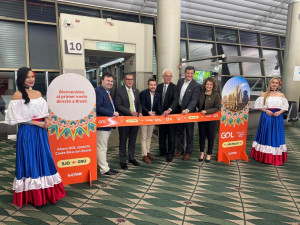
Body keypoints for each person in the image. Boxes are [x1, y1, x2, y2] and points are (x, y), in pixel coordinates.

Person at [5, 67, 66, 207]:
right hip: (28, 132)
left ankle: (47, 193)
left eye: (32, 76)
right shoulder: (17, 95)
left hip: (41, 132)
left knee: (44, 159)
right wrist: (36, 124)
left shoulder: (38, 93)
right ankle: (33, 196)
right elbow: (16, 119)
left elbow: (45, 112)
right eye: (28, 77)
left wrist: (47, 120)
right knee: (30, 159)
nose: (31, 79)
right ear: (22, 79)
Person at [251, 77, 288, 165]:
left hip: (277, 117)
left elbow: (285, 107)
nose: (274, 84)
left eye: (276, 83)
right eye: (273, 82)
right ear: (270, 84)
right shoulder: (264, 94)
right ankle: (263, 156)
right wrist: (266, 111)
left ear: (279, 85)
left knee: (276, 135)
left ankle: (275, 156)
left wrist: (279, 112)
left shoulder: (281, 95)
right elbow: (258, 106)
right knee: (266, 134)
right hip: (266, 116)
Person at [114, 73, 142, 170]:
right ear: (124, 80)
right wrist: (130, 112)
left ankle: (131, 157)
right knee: (123, 140)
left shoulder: (136, 91)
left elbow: (139, 104)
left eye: (131, 79)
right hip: (124, 120)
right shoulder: (118, 90)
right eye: (128, 79)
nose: (130, 81)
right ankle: (123, 160)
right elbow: (118, 105)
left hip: (134, 120)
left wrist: (140, 112)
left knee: (133, 139)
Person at [95, 73, 119, 175]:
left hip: (106, 124)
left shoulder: (107, 92)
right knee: (102, 147)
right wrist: (112, 113)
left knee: (102, 147)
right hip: (101, 125)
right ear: (102, 81)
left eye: (111, 81)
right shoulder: (99, 91)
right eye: (108, 81)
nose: (110, 83)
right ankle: (104, 169)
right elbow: (98, 107)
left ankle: (102, 165)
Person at [175, 66, 201, 160]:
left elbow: (194, 100)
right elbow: (177, 95)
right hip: (179, 111)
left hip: (189, 113)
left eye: (191, 73)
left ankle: (188, 152)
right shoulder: (180, 81)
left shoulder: (196, 85)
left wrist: (188, 110)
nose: (189, 75)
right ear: (185, 73)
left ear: (193, 74)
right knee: (179, 132)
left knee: (189, 133)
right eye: (188, 73)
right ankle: (180, 150)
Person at [157, 69, 179, 162]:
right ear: (163, 76)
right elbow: (157, 100)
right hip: (161, 115)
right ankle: (162, 151)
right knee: (161, 134)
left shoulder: (175, 87)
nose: (169, 77)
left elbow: (175, 101)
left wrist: (169, 110)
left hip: (171, 116)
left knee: (171, 135)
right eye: (167, 76)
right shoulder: (158, 87)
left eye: (170, 76)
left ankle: (170, 153)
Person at [198, 77, 221, 163]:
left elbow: (217, 108)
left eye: (211, 84)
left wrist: (207, 111)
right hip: (201, 119)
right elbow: (197, 104)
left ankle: (209, 154)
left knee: (211, 137)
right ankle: (202, 153)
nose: (209, 86)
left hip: (212, 120)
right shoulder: (201, 94)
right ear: (205, 85)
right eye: (207, 84)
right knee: (202, 137)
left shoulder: (216, 95)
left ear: (213, 86)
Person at [140, 78, 162, 164]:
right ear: (148, 85)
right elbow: (141, 105)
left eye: (154, 85)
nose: (153, 86)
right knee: (144, 137)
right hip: (144, 118)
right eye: (151, 85)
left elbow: (158, 106)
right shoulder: (143, 93)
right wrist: (148, 112)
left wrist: (162, 114)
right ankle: (144, 155)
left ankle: (148, 152)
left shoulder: (158, 95)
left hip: (152, 118)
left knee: (149, 136)